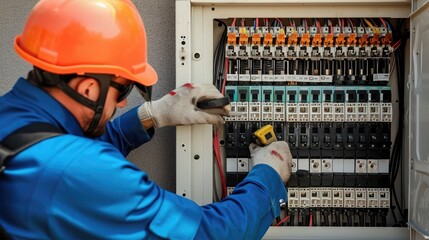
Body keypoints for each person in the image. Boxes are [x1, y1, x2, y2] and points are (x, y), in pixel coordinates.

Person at [0, 0, 292, 239]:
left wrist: (153, 115)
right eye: (124, 87)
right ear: (87, 88)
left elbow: (64, 149)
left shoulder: (12, 118)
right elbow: (210, 234)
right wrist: (268, 175)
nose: (125, 101)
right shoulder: (77, 171)